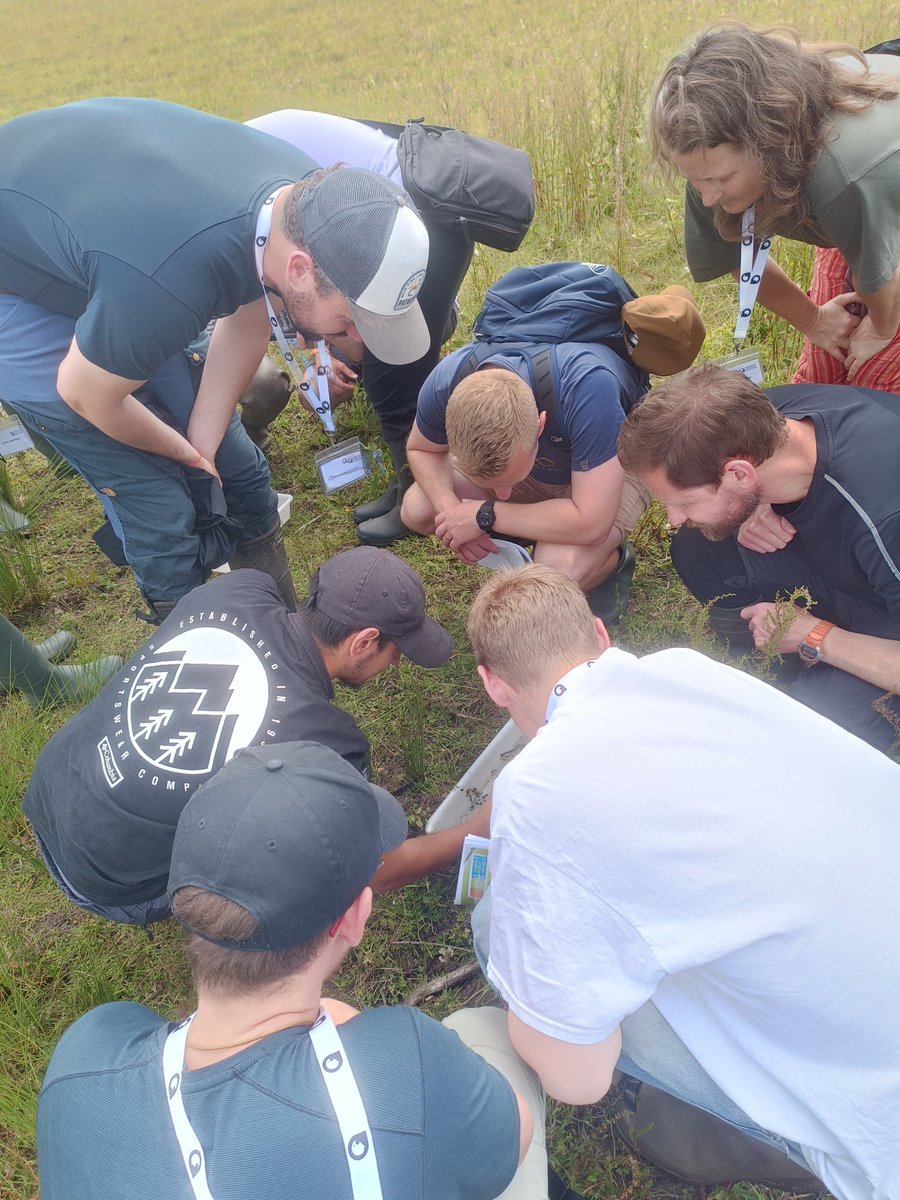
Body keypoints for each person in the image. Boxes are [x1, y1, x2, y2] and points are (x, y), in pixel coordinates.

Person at [467, 562, 900, 1200]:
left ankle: (746, 1136)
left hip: (877, 1123)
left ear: (493, 686)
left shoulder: (535, 792)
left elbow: (577, 1080)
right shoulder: (686, 671)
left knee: (492, 922)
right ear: (599, 634)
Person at [36, 739, 546, 1199]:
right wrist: (338, 1019)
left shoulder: (82, 1059)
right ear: (352, 919)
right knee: (484, 1030)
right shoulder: (408, 1063)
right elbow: (513, 1139)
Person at [0, 98, 430, 620]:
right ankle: (195, 652)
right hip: (18, 288)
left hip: (112, 254)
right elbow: (84, 392)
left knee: (240, 472)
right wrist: (182, 453)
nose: (352, 341)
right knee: (160, 504)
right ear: (299, 270)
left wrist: (206, 446)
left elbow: (249, 319)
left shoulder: (307, 203)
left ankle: (277, 640)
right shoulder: (169, 281)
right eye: (346, 323)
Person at [23, 547, 488, 924]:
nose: (396, 664)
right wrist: (474, 830)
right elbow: (376, 868)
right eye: (396, 652)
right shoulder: (323, 742)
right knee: (291, 858)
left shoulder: (238, 588)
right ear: (363, 643)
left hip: (50, 785)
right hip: (108, 882)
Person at [246, 108, 527, 546]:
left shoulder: (253, 183)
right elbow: (307, 288)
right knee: (383, 366)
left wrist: (315, 352)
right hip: (388, 226)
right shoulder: (255, 190)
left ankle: (413, 496)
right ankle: (403, 485)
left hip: (411, 223)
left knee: (393, 375)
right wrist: (317, 355)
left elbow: (305, 286)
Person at [616, 362, 900, 752]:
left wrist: (816, 635)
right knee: (698, 548)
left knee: (807, 736)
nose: (674, 518)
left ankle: (816, 677)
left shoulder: (883, 518)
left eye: (683, 502)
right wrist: (755, 506)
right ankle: (779, 666)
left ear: (739, 474)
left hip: (887, 614)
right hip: (856, 569)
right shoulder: (766, 419)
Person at [650, 24, 900, 389]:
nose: (706, 198)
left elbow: (882, 280)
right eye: (695, 181)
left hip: (874, 184)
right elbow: (737, 255)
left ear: (769, 142)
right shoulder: (710, 157)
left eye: (720, 181)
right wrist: (813, 320)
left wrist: (879, 331)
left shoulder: (842, 175)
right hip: (860, 203)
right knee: (826, 367)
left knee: (874, 379)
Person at [400, 337, 650, 617]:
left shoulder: (588, 389)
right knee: (419, 509)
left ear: (540, 424)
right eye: (492, 485)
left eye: (509, 479)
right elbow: (421, 448)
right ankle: (535, 529)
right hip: (551, 468)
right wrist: (452, 511)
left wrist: (484, 515)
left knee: (553, 572)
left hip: (604, 472)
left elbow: (592, 521)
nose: (504, 493)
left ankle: (611, 561)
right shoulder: (448, 380)